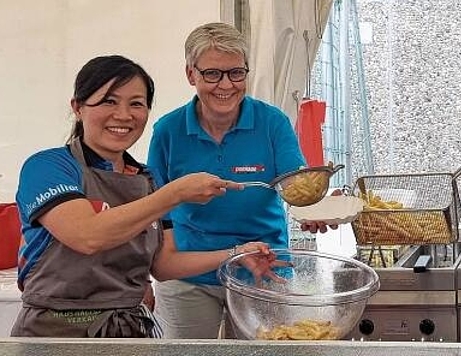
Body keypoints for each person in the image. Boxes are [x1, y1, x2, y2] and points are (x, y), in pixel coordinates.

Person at [12, 55, 277, 338]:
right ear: (78, 107)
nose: (124, 115)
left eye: (136, 104)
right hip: (54, 332)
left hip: (128, 333)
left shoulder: (146, 179)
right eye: (108, 101)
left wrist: (237, 253)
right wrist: (174, 194)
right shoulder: (49, 167)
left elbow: (164, 265)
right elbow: (87, 235)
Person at [147, 22, 333, 339]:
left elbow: (295, 184)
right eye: (212, 74)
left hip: (265, 267)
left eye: (236, 73)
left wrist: (317, 205)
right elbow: (156, 209)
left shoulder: (272, 121)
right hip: (190, 275)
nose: (226, 85)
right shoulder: (168, 130)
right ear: (191, 74)